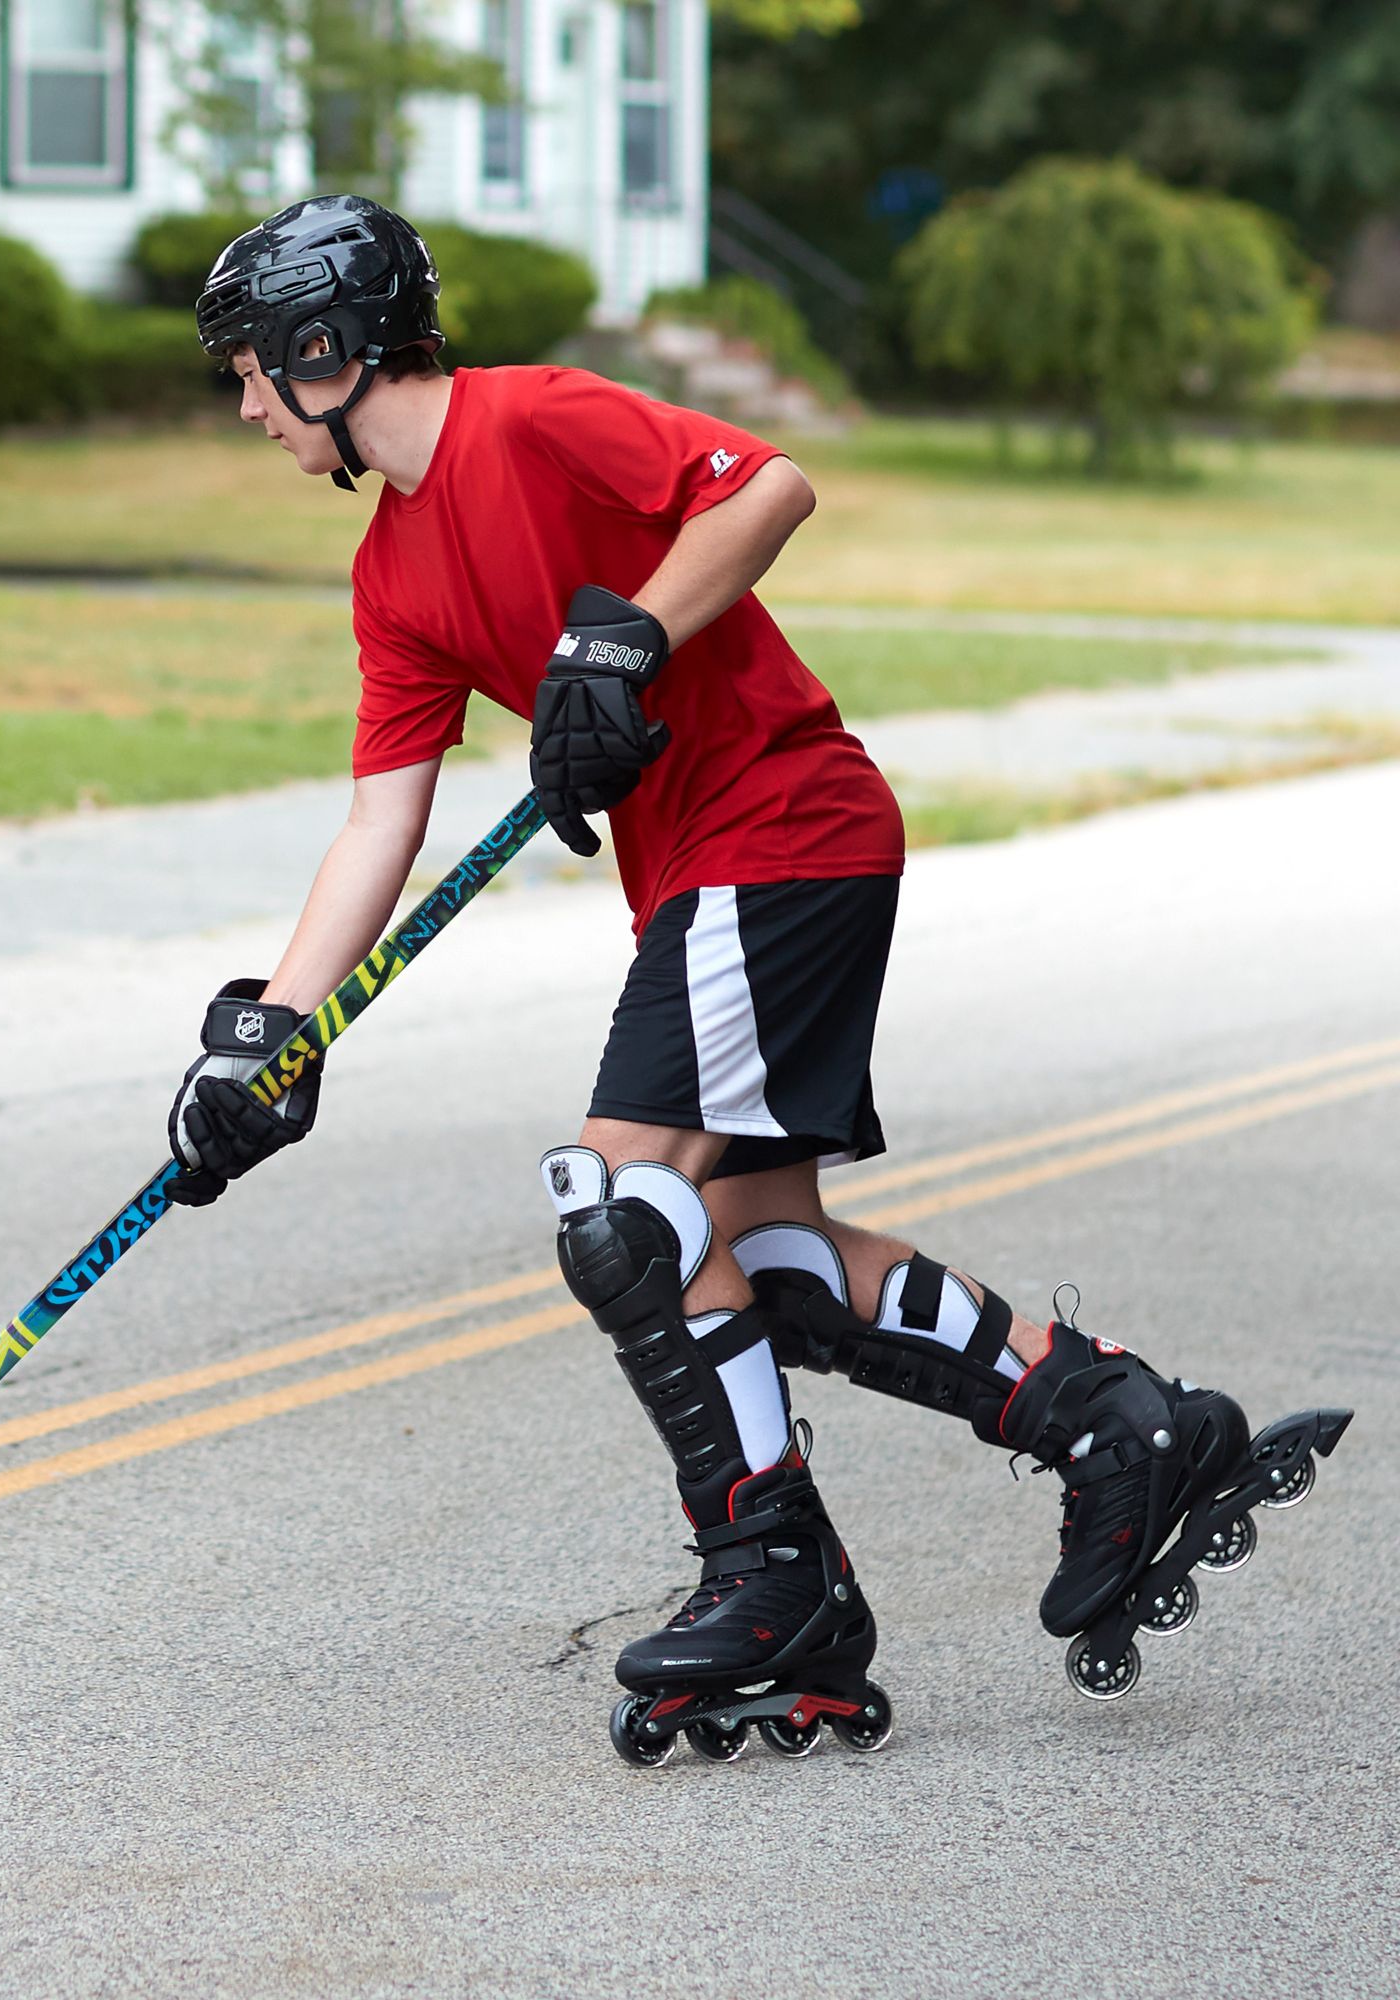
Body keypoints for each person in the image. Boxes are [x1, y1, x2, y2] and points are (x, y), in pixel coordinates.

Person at [164, 194, 1351, 1764]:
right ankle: (1121, 1427)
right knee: (757, 1253)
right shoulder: (394, 576)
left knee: (622, 1211)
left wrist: (624, 641)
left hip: (782, 829)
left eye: (252, 369)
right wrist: (269, 1033)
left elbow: (767, 486)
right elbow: (386, 815)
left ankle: (771, 1571)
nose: (247, 405)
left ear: (326, 348)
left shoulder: (532, 421)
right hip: (724, 874)